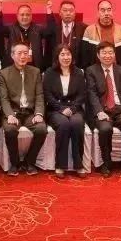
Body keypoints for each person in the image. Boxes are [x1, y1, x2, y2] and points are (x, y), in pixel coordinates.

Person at [84, 42, 121, 178]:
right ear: (98, 55)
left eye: (110, 52)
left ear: (114, 54)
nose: (107, 56)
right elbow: (91, 93)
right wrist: (99, 111)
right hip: (103, 110)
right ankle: (106, 163)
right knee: (105, 129)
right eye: (104, 53)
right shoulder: (91, 71)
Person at [0, 42, 47, 176]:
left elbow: (39, 95)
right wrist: (9, 115)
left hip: (30, 112)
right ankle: (14, 163)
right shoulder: (4, 73)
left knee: (41, 129)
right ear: (12, 55)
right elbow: (4, 98)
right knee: (10, 129)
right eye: (19, 53)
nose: (23, 56)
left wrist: (39, 113)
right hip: (13, 112)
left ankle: (29, 162)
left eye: (26, 53)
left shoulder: (35, 72)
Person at [44, 45, 88, 178]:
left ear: (72, 56)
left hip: (75, 108)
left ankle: (78, 164)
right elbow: (47, 95)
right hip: (55, 109)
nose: (66, 57)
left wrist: (72, 108)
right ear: (57, 57)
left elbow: (82, 95)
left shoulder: (78, 72)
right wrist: (61, 109)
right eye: (62, 54)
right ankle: (60, 164)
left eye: (68, 54)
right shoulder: (50, 73)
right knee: (63, 124)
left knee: (77, 123)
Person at [0, 0, 49, 69]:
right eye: (22, 14)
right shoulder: (11, 29)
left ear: (31, 16)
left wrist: (49, 10)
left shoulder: (38, 29)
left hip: (34, 69)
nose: (25, 17)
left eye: (27, 14)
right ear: (17, 16)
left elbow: (50, 31)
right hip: (14, 68)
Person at [80, 0, 121, 68]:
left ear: (112, 12)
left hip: (117, 70)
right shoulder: (89, 30)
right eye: (103, 10)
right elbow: (84, 55)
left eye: (109, 10)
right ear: (98, 13)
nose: (106, 13)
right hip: (95, 71)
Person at [44, 0, 88, 68]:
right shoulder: (53, 28)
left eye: (71, 11)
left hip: (76, 68)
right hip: (56, 68)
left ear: (75, 13)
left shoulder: (83, 28)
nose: (68, 13)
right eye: (65, 10)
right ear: (59, 13)